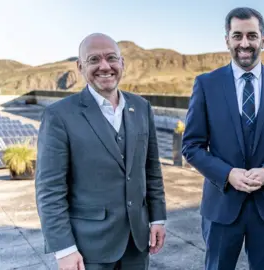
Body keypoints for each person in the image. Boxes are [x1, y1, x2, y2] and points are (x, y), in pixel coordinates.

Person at [181, 7, 264, 270]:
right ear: (227, 39)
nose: (244, 43)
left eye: (252, 35)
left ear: (263, 39)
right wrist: (228, 174)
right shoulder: (206, 84)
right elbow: (191, 146)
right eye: (237, 36)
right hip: (222, 206)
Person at [35, 33, 167, 270]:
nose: (104, 66)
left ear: (122, 63)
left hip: (136, 245)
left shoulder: (141, 106)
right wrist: (64, 249)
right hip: (88, 249)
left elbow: (151, 169)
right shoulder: (59, 115)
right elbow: (49, 189)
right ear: (80, 66)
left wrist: (157, 218)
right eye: (94, 59)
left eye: (111, 58)